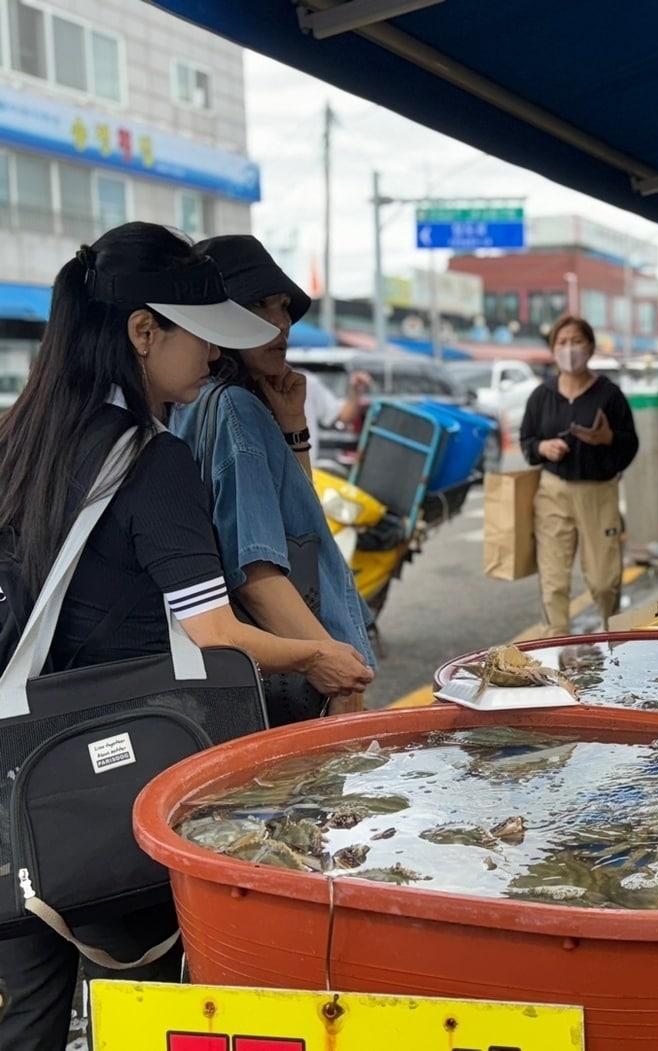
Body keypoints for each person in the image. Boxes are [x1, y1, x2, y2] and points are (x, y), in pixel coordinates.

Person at [0, 222, 374, 1051]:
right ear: (144, 331)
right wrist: (317, 654)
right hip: (117, 791)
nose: (211, 356)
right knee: (134, 1016)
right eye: (201, 334)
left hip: (18, 793)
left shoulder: (18, 439)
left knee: (27, 1018)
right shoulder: (153, 461)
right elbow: (213, 631)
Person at [170, 235, 377, 723]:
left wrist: (294, 428)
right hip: (293, 676)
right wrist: (332, 664)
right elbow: (256, 572)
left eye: (284, 307)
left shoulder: (195, 402)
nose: (281, 323)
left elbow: (295, 530)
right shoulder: (236, 409)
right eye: (261, 305)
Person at [519, 316, 639, 636]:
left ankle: (614, 644)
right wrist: (543, 447)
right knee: (554, 583)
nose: (569, 349)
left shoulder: (609, 395)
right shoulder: (541, 396)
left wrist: (607, 439)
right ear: (552, 349)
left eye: (576, 341)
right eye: (562, 342)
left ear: (590, 346)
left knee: (603, 581)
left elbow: (630, 444)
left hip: (599, 492)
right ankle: (555, 652)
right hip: (553, 492)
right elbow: (527, 441)